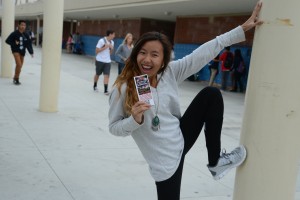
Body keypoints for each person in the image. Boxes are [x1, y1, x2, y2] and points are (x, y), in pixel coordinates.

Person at [108, 2, 263, 200]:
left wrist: (241, 30)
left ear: (164, 60)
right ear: (135, 54)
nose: (147, 59)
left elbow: (204, 52)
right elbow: (113, 127)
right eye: (143, 52)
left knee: (211, 95)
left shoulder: (170, 72)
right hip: (164, 159)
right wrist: (134, 120)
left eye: (154, 54)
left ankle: (216, 163)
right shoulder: (124, 88)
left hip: (180, 135)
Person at [5, 20, 34, 85]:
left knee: (20, 66)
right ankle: (16, 79)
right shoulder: (14, 33)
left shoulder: (26, 34)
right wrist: (14, 43)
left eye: (24, 25)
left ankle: (15, 77)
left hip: (22, 52)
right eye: (22, 25)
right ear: (19, 25)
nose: (23, 26)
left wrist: (31, 52)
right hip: (15, 51)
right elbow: (7, 41)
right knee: (19, 64)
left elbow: (29, 44)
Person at [93, 30, 115, 94]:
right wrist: (105, 47)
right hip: (99, 60)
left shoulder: (112, 42)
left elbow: (110, 53)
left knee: (107, 75)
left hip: (107, 61)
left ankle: (105, 90)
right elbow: (96, 51)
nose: (114, 36)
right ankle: (95, 85)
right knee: (97, 74)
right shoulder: (101, 41)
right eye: (113, 34)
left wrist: (111, 48)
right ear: (110, 34)